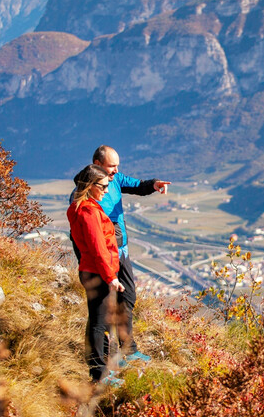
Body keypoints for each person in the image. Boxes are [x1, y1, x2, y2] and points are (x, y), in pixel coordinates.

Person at [90, 145, 169, 364]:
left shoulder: (114, 179)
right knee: (104, 307)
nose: (115, 170)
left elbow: (135, 185)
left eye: (117, 166)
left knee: (128, 296)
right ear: (97, 164)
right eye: (111, 166)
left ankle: (127, 349)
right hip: (104, 254)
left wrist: (153, 184)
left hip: (121, 250)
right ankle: (105, 359)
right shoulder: (89, 189)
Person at [67, 164, 125, 383]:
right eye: (103, 186)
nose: (106, 190)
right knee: (99, 324)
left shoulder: (79, 207)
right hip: (97, 272)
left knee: (96, 321)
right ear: (90, 186)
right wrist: (111, 277)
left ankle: (98, 369)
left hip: (91, 270)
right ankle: (99, 374)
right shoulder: (89, 211)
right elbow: (98, 247)